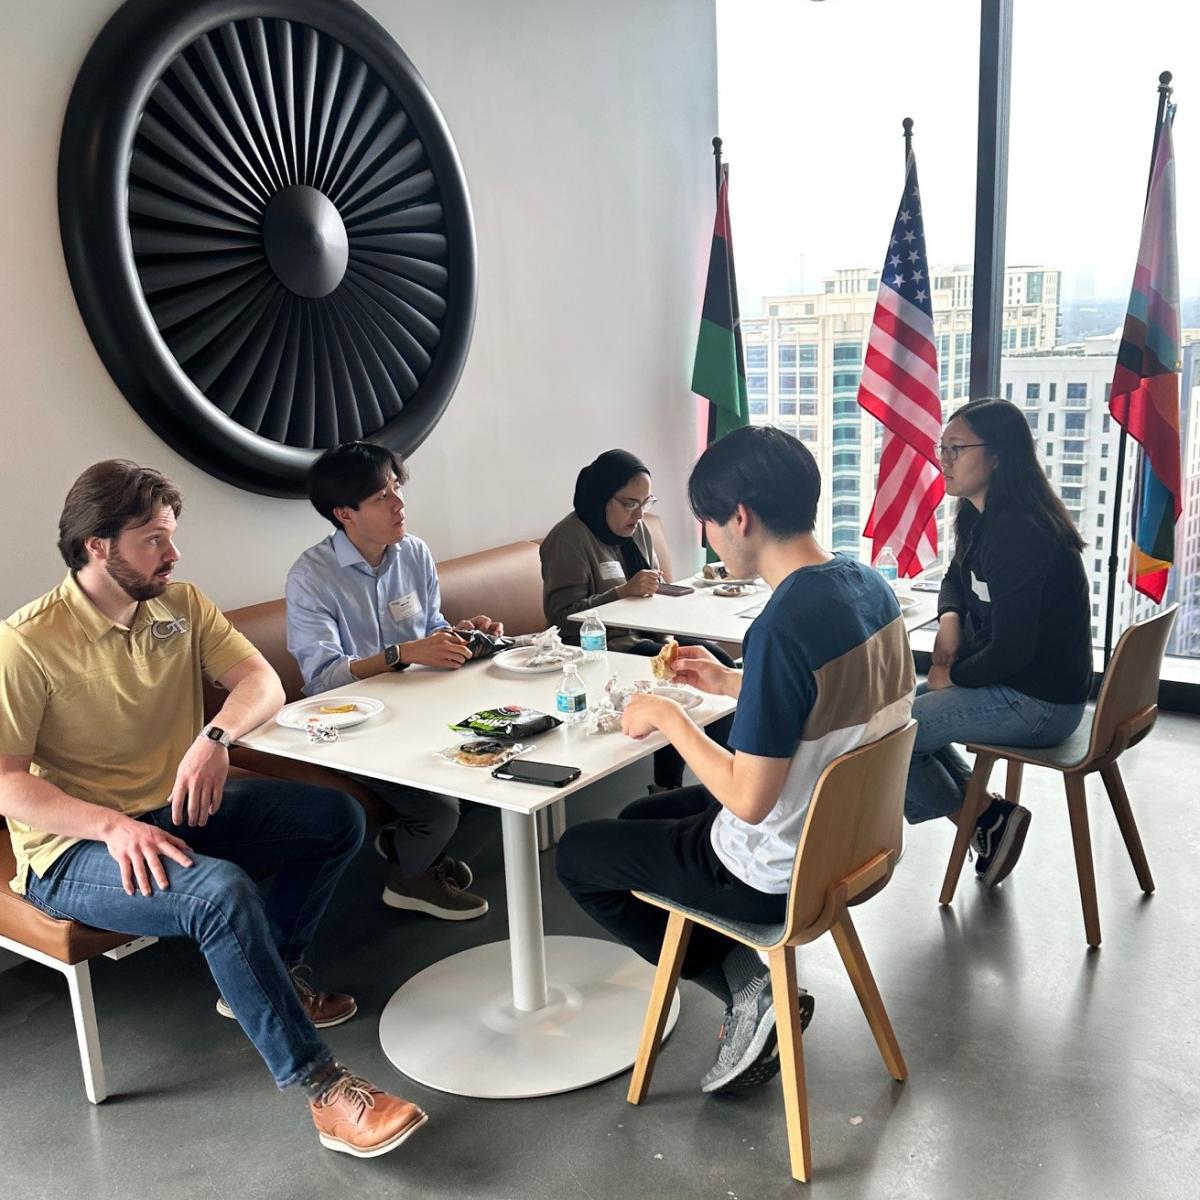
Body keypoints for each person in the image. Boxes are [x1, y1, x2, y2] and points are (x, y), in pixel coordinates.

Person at [0, 460, 423, 1157]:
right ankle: (325, 1092)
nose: (172, 554)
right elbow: (9, 784)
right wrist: (112, 825)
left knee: (334, 819)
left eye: (171, 535)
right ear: (97, 546)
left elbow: (260, 681)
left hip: (173, 807)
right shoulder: (27, 643)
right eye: (153, 540)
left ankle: (271, 972)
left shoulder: (180, 604)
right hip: (73, 850)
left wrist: (215, 737)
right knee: (219, 892)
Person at [556, 427, 914, 1095]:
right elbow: (826, 696)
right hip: (851, 838)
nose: (709, 538)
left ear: (740, 518)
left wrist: (665, 714)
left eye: (708, 522)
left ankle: (744, 982)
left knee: (578, 855)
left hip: (779, 868)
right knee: (642, 812)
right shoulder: (866, 585)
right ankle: (745, 976)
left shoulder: (781, 623)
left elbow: (748, 799)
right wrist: (730, 683)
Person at [287, 441, 499, 921]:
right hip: (344, 724)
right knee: (440, 809)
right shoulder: (311, 576)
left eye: (397, 489)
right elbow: (321, 678)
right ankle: (409, 878)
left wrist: (462, 634)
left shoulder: (414, 552)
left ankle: (412, 848)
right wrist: (399, 655)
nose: (399, 504)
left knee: (493, 752)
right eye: (382, 497)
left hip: (418, 705)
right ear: (345, 514)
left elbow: (430, 629)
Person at [905, 397, 1091, 885]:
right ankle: (987, 815)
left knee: (886, 738)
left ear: (997, 456)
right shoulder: (980, 515)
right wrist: (950, 616)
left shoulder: (1019, 533)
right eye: (942, 447)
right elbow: (955, 576)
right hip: (1020, 684)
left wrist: (951, 674)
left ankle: (982, 817)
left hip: (1039, 702)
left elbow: (1012, 651)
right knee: (894, 719)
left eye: (957, 448)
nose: (943, 459)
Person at [540, 448, 736, 790]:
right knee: (673, 678)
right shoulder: (569, 539)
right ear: (602, 497)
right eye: (630, 503)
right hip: (596, 648)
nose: (639, 513)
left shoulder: (638, 530)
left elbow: (649, 589)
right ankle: (668, 787)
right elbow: (561, 618)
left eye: (646, 503)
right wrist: (621, 592)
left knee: (715, 658)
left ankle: (732, 769)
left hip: (647, 636)